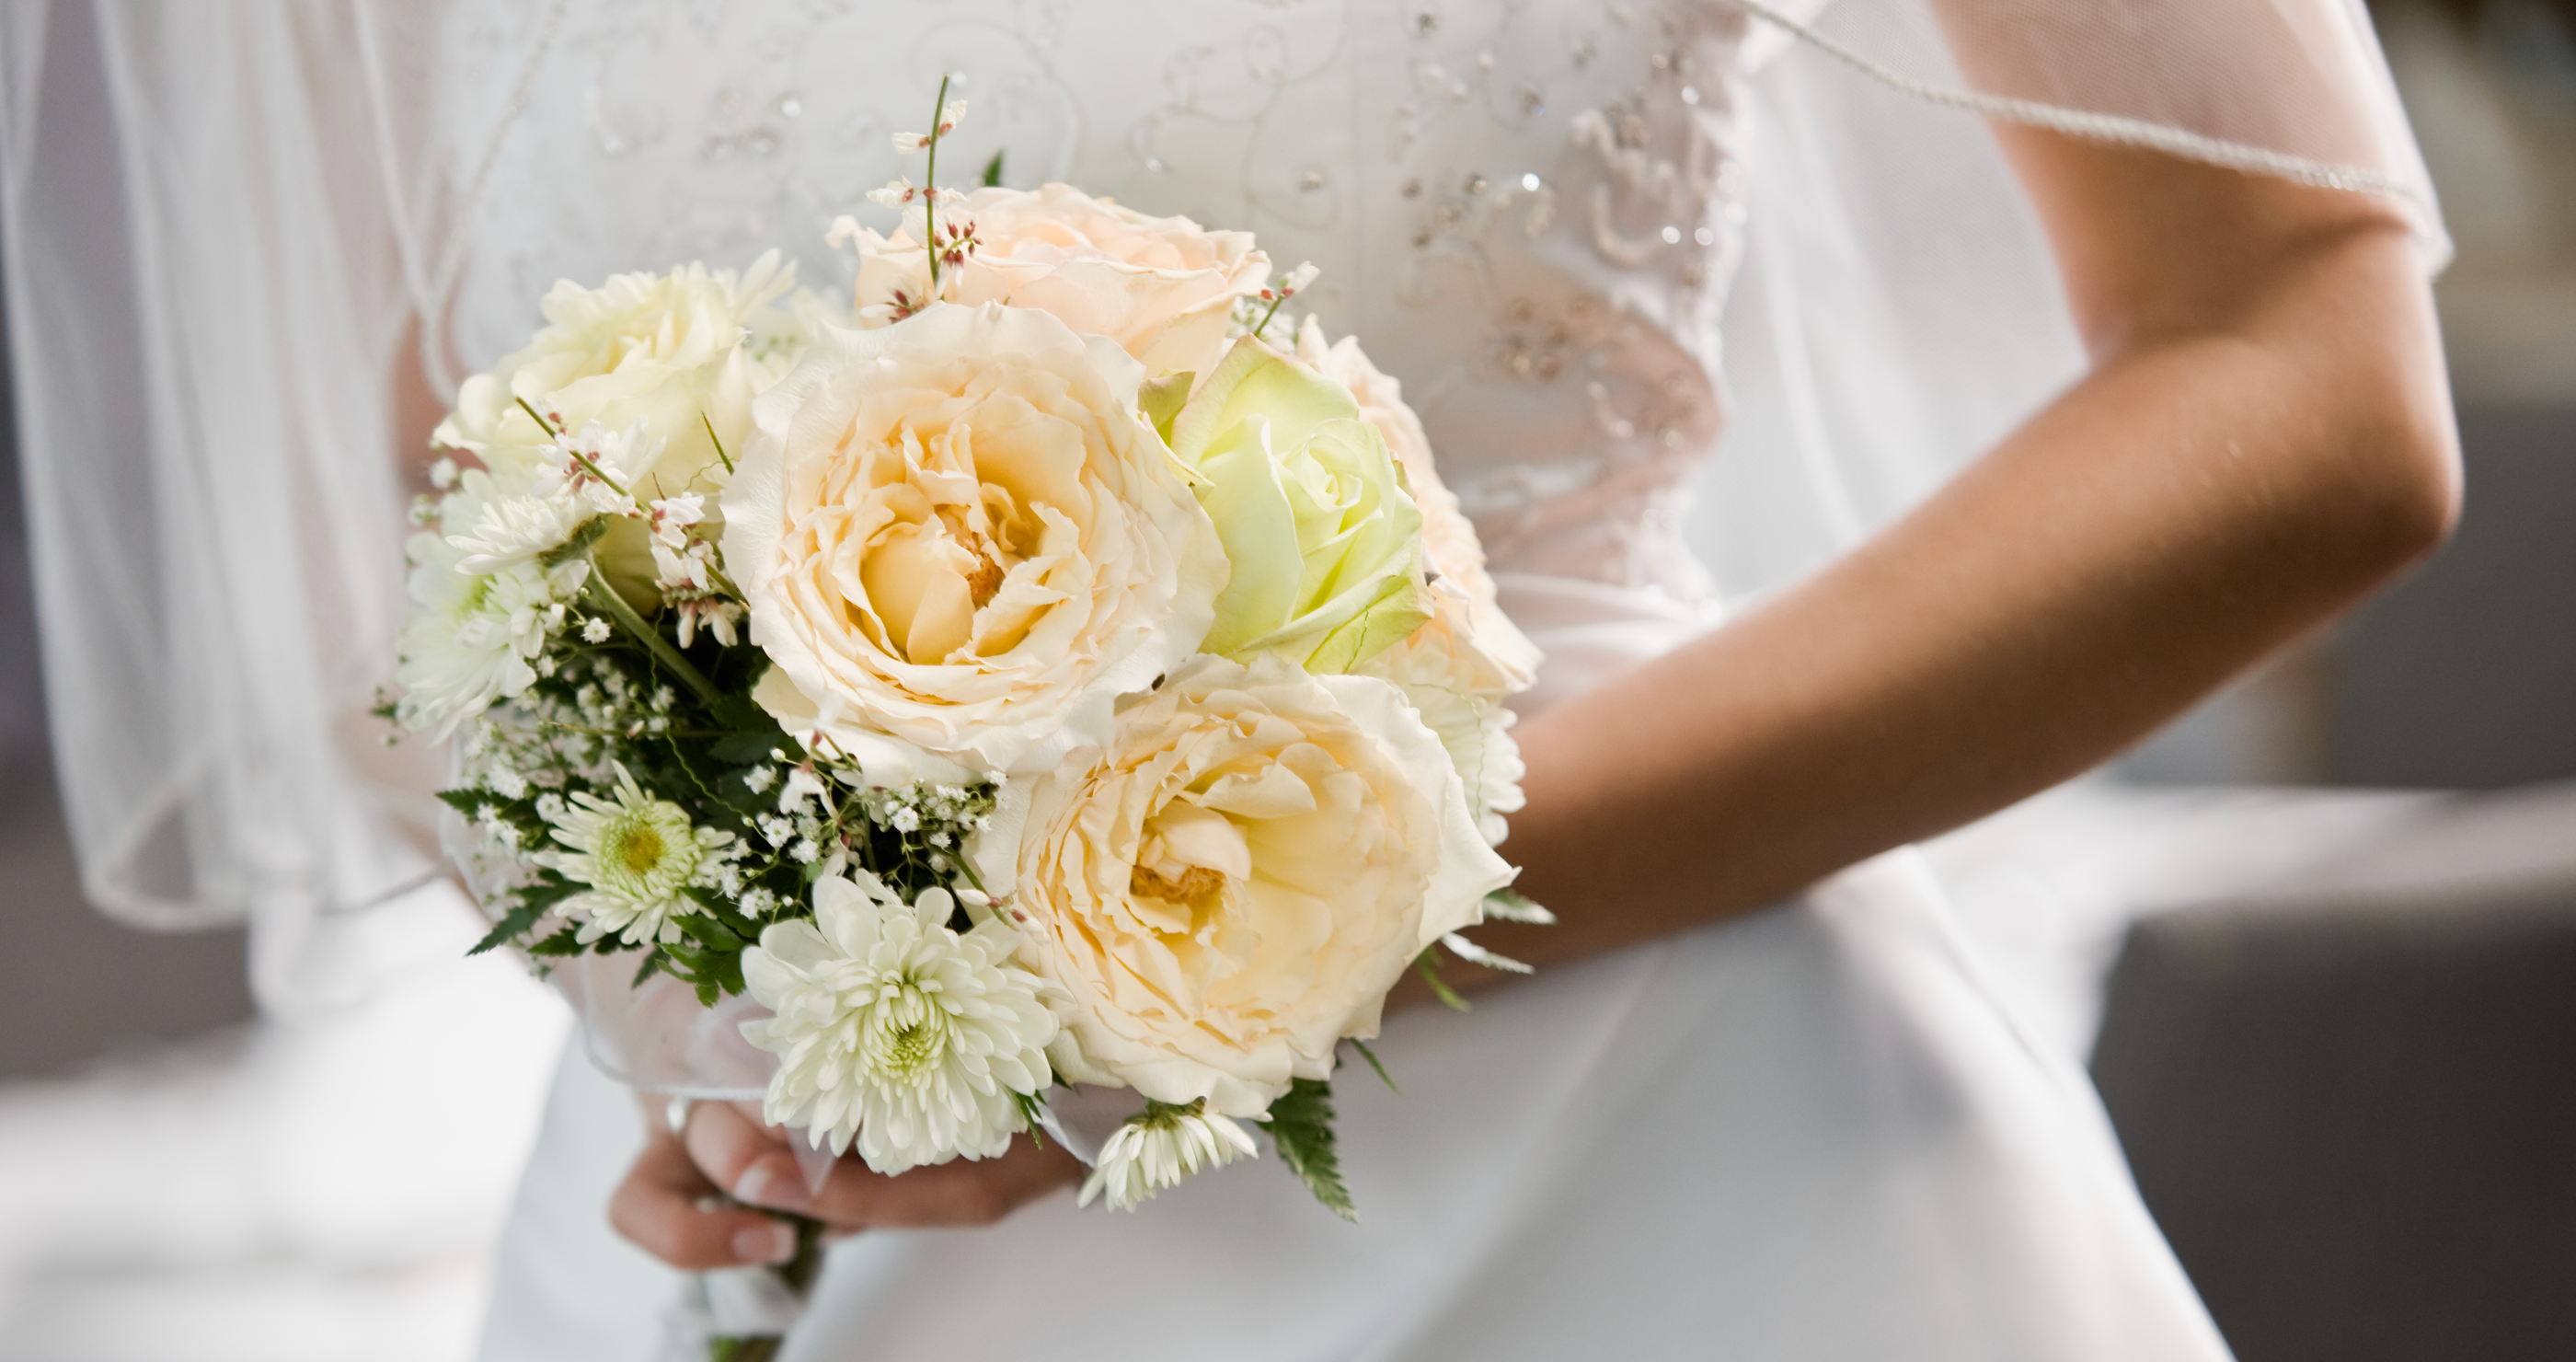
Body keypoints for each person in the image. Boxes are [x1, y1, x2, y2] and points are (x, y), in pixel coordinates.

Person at [2, 1, 2455, 1358]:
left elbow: (2310, 378)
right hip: (817, 1240)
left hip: (1688, 1181)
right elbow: (399, 536)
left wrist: (1320, 920)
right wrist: (701, 1005)